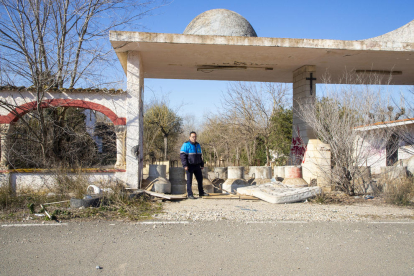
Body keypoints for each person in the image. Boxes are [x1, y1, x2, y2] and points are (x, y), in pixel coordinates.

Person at [180, 131, 208, 199]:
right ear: (190, 137)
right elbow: (182, 156)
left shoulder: (198, 145)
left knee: (200, 179)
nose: (194, 138)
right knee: (189, 181)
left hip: (197, 165)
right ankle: (190, 194)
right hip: (189, 166)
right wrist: (185, 165)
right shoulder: (186, 144)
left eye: (195, 137)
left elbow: (200, 155)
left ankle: (201, 193)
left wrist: (202, 164)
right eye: (193, 137)